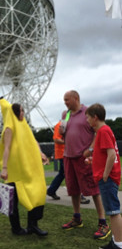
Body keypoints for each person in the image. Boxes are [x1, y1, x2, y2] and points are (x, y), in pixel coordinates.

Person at [61, 90, 110, 240]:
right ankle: (77, 218)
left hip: (84, 159)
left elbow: (98, 131)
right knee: (73, 189)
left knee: (93, 189)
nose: (65, 102)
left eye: (67, 100)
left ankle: (103, 222)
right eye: (64, 100)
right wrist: (63, 131)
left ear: (76, 99)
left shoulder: (88, 112)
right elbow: (64, 132)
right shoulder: (66, 114)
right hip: (68, 157)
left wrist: (90, 149)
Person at [0, 98, 48, 236]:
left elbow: (33, 141)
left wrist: (40, 153)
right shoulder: (9, 128)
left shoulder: (23, 126)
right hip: (14, 171)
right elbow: (6, 148)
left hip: (27, 168)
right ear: (15, 113)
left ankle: (33, 225)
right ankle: (16, 229)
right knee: (12, 201)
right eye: (21, 111)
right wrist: (5, 168)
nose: (23, 113)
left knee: (37, 192)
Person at [85, 103, 122, 249]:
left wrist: (105, 174)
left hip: (107, 178)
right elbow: (104, 155)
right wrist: (93, 161)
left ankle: (118, 244)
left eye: (88, 117)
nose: (87, 120)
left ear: (95, 117)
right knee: (112, 211)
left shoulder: (103, 131)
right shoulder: (104, 131)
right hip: (106, 177)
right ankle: (116, 240)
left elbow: (111, 154)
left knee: (113, 212)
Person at [47, 120, 65, 200]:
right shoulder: (60, 125)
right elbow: (56, 139)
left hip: (65, 153)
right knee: (71, 174)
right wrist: (69, 142)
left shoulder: (63, 124)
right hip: (63, 154)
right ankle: (78, 195)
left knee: (62, 174)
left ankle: (51, 190)